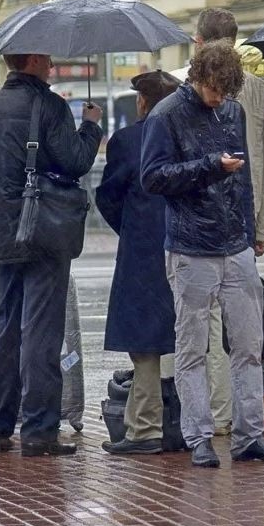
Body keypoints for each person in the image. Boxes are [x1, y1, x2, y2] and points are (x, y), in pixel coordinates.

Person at [141, 41, 264, 467]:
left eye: (227, 92)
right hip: (192, 247)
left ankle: (250, 436)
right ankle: (199, 438)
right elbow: (152, 178)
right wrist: (209, 165)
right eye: (215, 90)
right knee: (192, 347)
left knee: (249, 344)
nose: (220, 99)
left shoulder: (233, 109)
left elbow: (242, 177)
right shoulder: (167, 114)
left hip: (234, 245)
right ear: (199, 77)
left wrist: (248, 232)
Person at [0, 52, 102, 457]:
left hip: (3, 234)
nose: (54, 66)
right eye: (48, 60)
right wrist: (90, 128)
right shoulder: (51, 105)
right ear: (34, 61)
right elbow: (75, 162)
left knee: (5, 326)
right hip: (44, 232)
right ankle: (40, 430)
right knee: (42, 330)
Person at [168, 7, 264, 437]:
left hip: (199, 230)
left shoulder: (184, 91)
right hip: (241, 226)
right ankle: (240, 420)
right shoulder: (258, 92)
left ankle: (216, 418)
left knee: (203, 332)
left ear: (199, 43)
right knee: (244, 333)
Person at [95, 70, 182, 455]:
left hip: (143, 250)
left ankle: (144, 428)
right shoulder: (186, 135)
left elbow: (108, 196)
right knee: (192, 339)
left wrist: (130, 227)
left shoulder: (128, 141)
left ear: (142, 102)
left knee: (144, 344)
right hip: (187, 244)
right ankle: (194, 423)